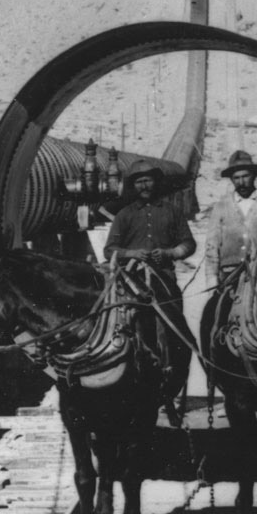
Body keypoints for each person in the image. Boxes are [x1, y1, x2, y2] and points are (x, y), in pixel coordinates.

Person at [102, 166, 197, 426]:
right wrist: (132, 254)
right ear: (134, 186)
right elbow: (109, 250)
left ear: (156, 183)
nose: (145, 186)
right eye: (140, 181)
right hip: (129, 281)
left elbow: (189, 244)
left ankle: (170, 386)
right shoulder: (124, 215)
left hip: (163, 281)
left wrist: (168, 253)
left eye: (149, 181)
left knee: (177, 333)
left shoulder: (171, 211)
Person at [203, 149, 257, 290]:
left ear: (254, 175)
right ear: (231, 179)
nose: (241, 182)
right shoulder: (220, 207)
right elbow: (212, 247)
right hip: (227, 277)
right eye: (236, 178)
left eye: (245, 176)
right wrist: (212, 279)